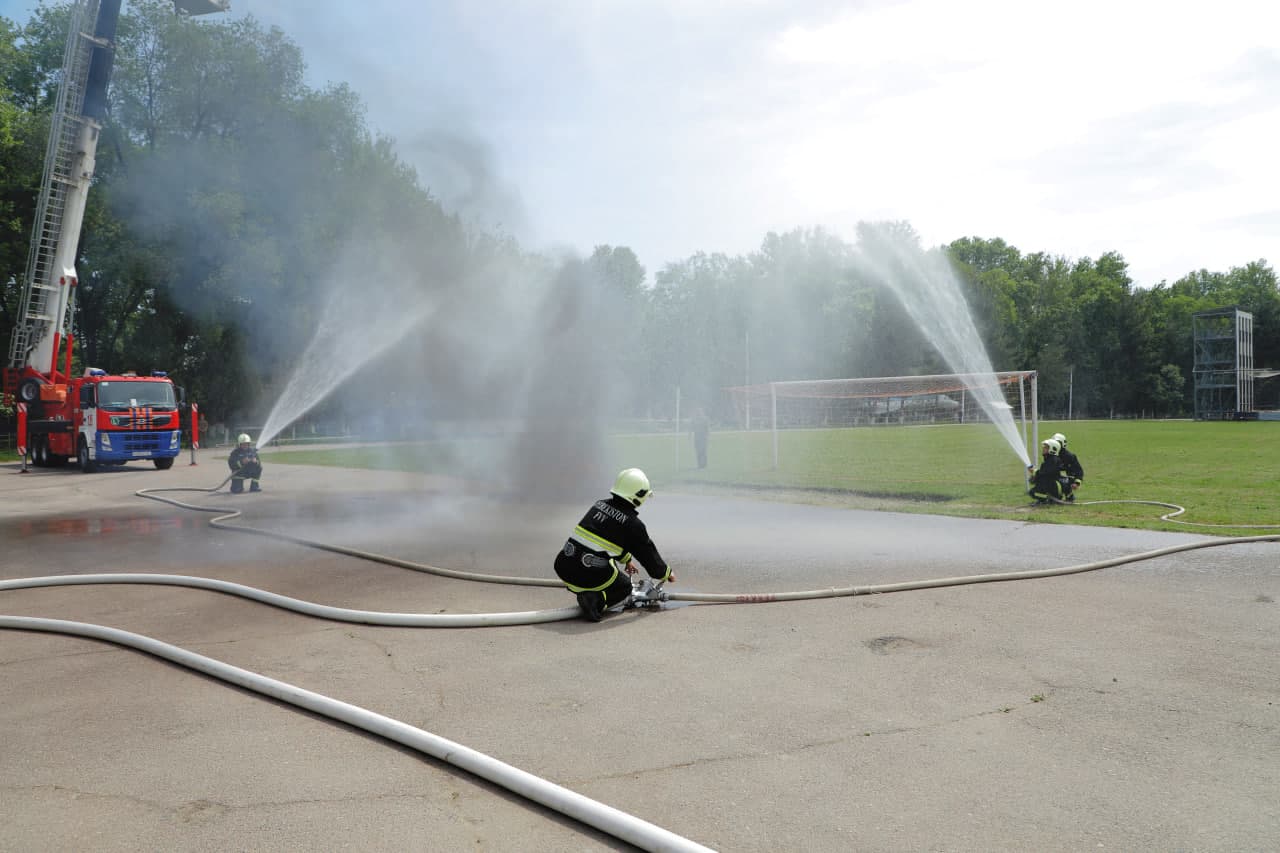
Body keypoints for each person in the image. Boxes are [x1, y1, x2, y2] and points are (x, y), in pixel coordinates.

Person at [553, 468, 674, 622]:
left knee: (608, 561)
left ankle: (587, 590)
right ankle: (595, 599)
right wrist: (665, 573)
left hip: (563, 566)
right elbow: (647, 554)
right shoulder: (633, 525)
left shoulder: (600, 505)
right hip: (583, 574)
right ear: (638, 496)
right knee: (624, 587)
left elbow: (606, 540)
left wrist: (627, 560)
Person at [1027, 438, 1064, 502]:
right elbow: (1044, 473)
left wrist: (1034, 471)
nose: (1043, 448)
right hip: (1050, 485)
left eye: (1046, 447)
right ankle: (1046, 499)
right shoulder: (1051, 459)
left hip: (1053, 487)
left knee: (1032, 493)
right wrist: (1034, 476)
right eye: (1044, 447)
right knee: (1033, 491)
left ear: (1053, 449)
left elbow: (1045, 473)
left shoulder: (1053, 460)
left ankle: (1049, 499)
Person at [1052, 432, 1084, 502]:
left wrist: (1077, 482)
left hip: (1068, 479)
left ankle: (1069, 496)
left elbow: (1078, 470)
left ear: (1063, 444)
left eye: (1058, 443)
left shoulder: (1070, 457)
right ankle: (1053, 497)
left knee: (1063, 481)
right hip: (1055, 477)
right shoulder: (1051, 455)